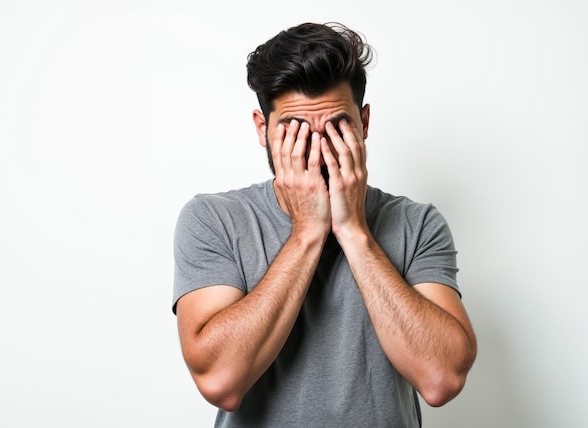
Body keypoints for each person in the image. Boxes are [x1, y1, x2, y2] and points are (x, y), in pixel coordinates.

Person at [173, 22, 477, 427]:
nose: (317, 152)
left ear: (363, 123)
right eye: (295, 131)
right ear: (263, 130)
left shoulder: (415, 222)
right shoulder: (214, 219)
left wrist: (354, 231)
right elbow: (221, 381)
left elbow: (441, 379)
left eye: (336, 128)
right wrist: (306, 234)